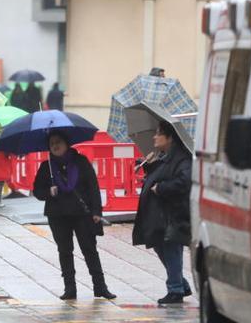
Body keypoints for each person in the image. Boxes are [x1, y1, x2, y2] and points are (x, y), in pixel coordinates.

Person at [33, 132, 116, 300]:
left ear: (67, 143)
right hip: (57, 215)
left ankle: (100, 287)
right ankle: (70, 288)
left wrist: (97, 212)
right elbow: (37, 191)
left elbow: (93, 187)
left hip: (82, 214)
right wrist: (49, 191)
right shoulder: (46, 167)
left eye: (58, 142)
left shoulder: (81, 162)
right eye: (52, 143)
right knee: (65, 251)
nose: (55, 146)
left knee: (89, 249)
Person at [132, 121, 193, 304]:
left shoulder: (182, 158)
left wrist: (162, 188)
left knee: (171, 250)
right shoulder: (164, 156)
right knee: (160, 247)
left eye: (159, 133)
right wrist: (149, 165)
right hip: (158, 215)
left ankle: (175, 289)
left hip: (172, 214)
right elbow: (160, 174)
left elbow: (183, 181)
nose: (154, 137)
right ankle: (181, 285)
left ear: (170, 138)